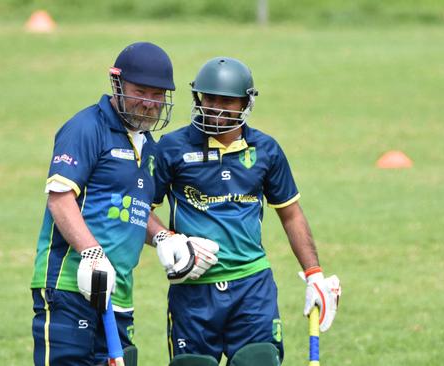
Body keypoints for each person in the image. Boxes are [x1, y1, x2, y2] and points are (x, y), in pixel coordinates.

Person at [147, 57, 342, 366]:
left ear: (245, 103)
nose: (215, 107)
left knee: (259, 360)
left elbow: (290, 214)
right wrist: (167, 239)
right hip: (193, 292)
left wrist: (314, 274)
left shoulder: (266, 150)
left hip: (252, 288)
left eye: (226, 100)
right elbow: (139, 210)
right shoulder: (171, 148)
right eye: (208, 98)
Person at [29, 42, 177, 366]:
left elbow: (134, 209)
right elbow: (60, 199)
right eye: (141, 91)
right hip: (69, 287)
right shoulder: (86, 128)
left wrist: (165, 237)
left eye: (158, 95)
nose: (150, 104)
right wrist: (92, 254)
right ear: (118, 84)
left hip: (119, 294)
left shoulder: (148, 146)